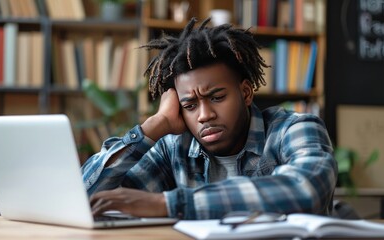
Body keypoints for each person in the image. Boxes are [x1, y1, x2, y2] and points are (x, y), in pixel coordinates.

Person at [81, 18, 337, 220]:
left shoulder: (295, 129)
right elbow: (86, 199)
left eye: (216, 97)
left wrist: (169, 204)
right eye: (190, 105)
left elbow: (306, 189)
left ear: (246, 93)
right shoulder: (173, 147)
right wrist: (153, 126)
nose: (204, 115)